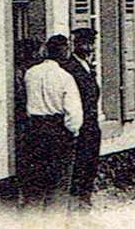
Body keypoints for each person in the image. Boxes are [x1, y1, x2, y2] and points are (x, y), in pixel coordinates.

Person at [22, 35, 82, 209]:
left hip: (35, 128)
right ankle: (54, 221)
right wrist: (73, 132)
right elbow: (73, 112)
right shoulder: (65, 77)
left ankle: (32, 221)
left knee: (35, 179)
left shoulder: (30, 73)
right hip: (57, 130)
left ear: (46, 50)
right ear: (64, 52)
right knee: (59, 181)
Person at [62, 27, 102, 208]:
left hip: (92, 124)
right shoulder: (70, 67)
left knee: (90, 163)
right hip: (81, 124)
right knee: (80, 164)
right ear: (76, 45)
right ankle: (78, 201)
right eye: (85, 44)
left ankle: (86, 198)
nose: (89, 48)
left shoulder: (88, 65)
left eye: (91, 44)